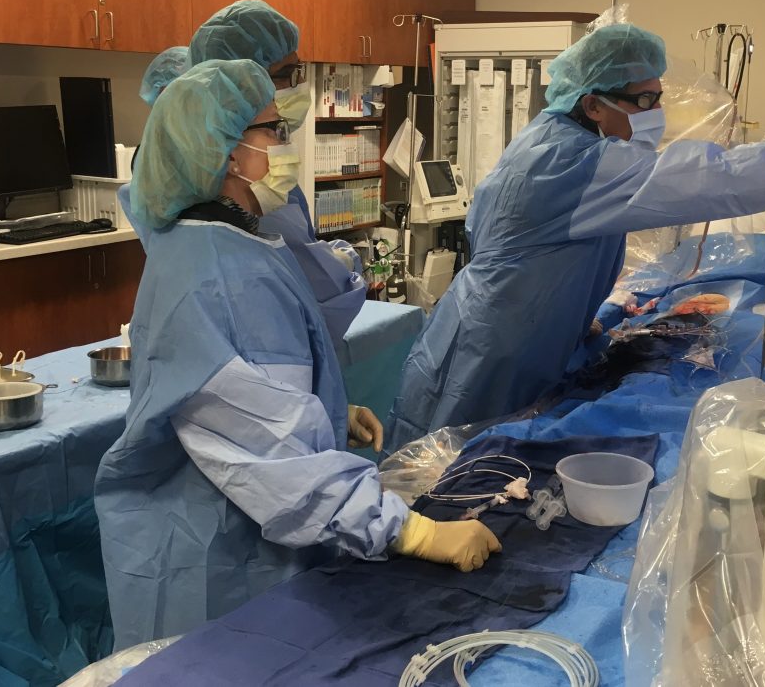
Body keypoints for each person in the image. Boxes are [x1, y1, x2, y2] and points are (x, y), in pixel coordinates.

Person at [95, 59, 501, 649]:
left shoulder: (235, 242)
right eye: (272, 131)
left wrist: (331, 412)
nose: (283, 146)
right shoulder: (217, 272)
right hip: (223, 547)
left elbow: (259, 397)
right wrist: (410, 532)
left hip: (245, 521)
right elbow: (268, 452)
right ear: (229, 154)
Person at [386, 22, 765, 452]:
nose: (656, 112)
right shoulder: (574, 163)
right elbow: (715, 178)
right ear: (592, 103)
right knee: (442, 467)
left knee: (476, 455)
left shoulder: (558, 138)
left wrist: (571, 315)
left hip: (503, 326)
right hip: (491, 348)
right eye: (645, 100)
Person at [188, 0, 368, 355]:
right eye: (287, 74)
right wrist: (343, 263)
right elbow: (316, 297)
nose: (296, 87)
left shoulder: (210, 179)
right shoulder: (245, 193)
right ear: (243, 81)